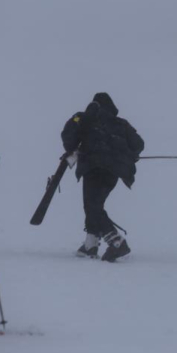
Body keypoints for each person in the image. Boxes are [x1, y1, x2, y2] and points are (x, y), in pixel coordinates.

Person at [61, 93, 144, 262]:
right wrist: (129, 155)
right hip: (115, 170)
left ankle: (116, 241)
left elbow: (68, 140)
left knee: (92, 206)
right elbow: (138, 144)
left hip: (94, 167)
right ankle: (90, 245)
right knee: (94, 205)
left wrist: (78, 119)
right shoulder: (121, 123)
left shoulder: (85, 119)